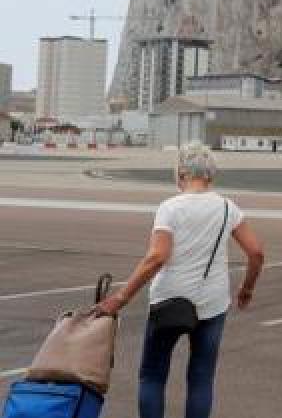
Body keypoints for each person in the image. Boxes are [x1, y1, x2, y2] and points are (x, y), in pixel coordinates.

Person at [95, 147, 265, 418]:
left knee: (152, 375)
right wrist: (247, 288)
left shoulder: (170, 207)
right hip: (212, 304)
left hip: (169, 302)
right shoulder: (227, 207)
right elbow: (256, 253)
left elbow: (156, 257)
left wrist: (121, 298)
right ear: (210, 175)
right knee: (200, 378)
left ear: (182, 173)